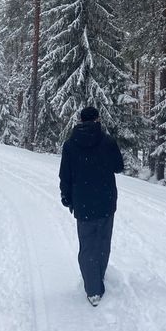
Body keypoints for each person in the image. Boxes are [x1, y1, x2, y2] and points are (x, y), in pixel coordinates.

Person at [59, 106, 124, 306]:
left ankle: (92, 288)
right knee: (103, 242)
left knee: (87, 245)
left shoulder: (70, 145)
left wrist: (66, 197)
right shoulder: (108, 141)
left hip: (83, 202)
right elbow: (119, 167)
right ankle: (98, 277)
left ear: (80, 120)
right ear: (97, 120)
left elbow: (65, 175)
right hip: (106, 200)